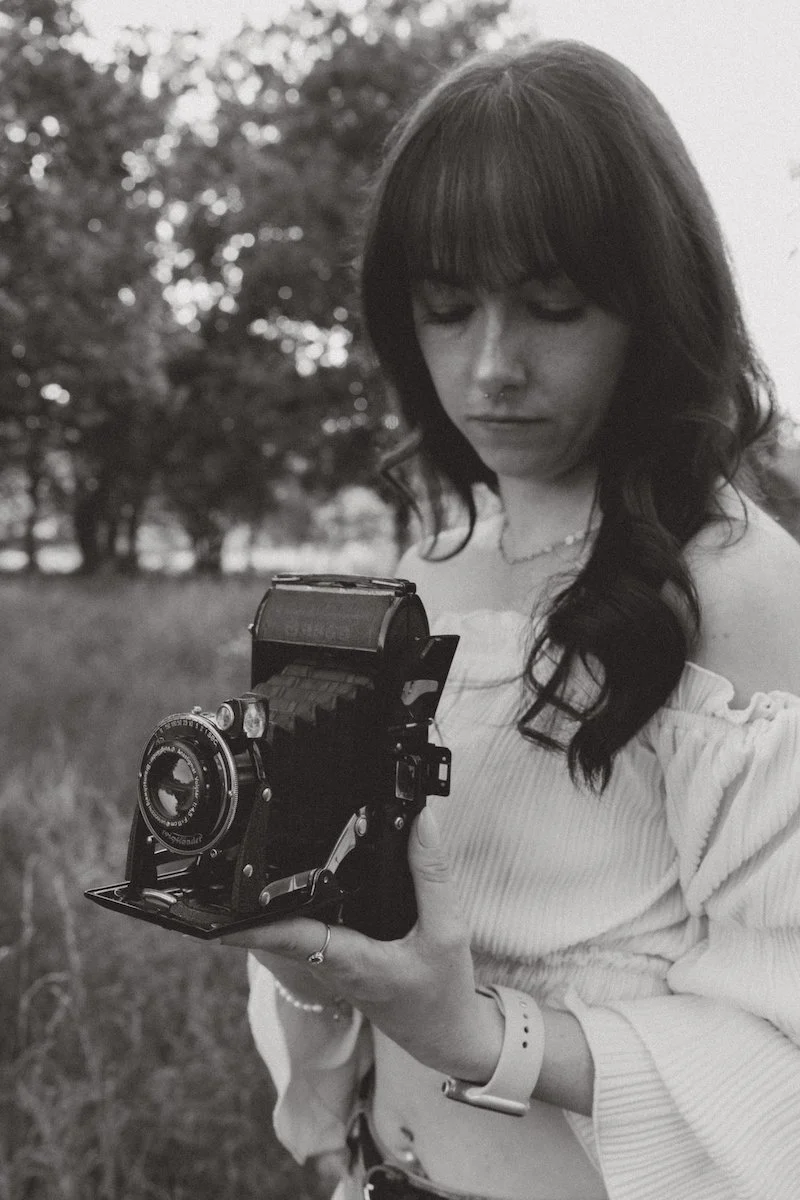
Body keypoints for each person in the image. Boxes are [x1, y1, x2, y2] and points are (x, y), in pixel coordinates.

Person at [223, 39, 800, 1200]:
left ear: (655, 304)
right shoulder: (421, 570)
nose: (491, 367)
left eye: (552, 307)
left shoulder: (733, 586)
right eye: (445, 310)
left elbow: (780, 1039)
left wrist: (476, 1032)